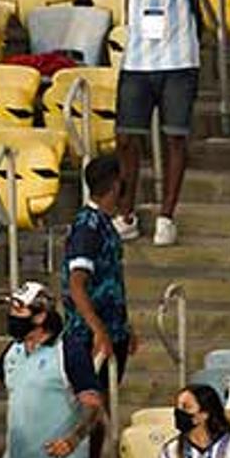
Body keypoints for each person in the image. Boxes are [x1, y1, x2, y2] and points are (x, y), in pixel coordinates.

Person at [107, 0, 228, 246]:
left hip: (179, 58)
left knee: (176, 137)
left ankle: (166, 215)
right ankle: (126, 212)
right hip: (138, 61)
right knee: (127, 139)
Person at [0, 281, 103, 458]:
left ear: (40, 315)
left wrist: (73, 439)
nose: (11, 316)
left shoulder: (69, 351)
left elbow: (93, 406)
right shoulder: (13, 350)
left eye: (18, 309)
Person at [65, 157, 133, 401]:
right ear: (115, 185)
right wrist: (98, 330)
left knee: (106, 405)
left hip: (114, 330)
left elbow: (111, 280)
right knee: (95, 408)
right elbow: (76, 283)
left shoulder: (104, 223)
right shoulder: (88, 226)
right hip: (88, 337)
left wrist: (124, 327)